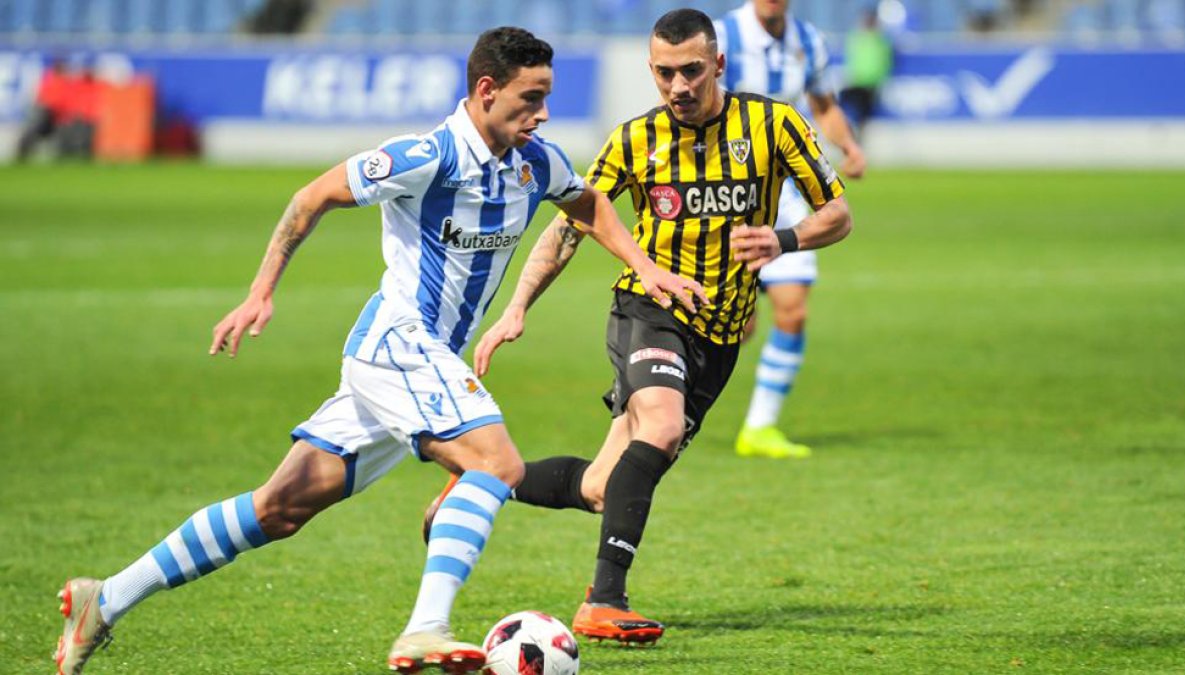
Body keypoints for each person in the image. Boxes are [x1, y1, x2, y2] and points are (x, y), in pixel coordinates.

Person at [53, 27, 706, 675]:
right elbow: (313, 197)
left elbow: (588, 202)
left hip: (420, 368)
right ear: (485, 91)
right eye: (530, 97)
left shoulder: (537, 162)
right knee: (497, 463)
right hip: (399, 343)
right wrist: (261, 291)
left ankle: (103, 599)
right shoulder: (427, 157)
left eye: (547, 97)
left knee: (278, 508)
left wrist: (643, 265)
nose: (542, 112)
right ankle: (426, 627)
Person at [424, 8, 853, 645]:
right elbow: (570, 226)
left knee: (602, 487)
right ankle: (604, 600)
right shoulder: (633, 140)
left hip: (721, 335)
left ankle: (484, 479)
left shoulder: (773, 124)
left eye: (691, 71)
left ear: (719, 66)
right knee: (660, 422)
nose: (677, 86)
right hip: (647, 311)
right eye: (663, 73)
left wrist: (783, 238)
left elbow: (838, 213)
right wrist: (516, 308)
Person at [715, 0, 868, 459]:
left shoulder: (810, 41)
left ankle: (760, 426)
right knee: (733, 325)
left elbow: (823, 105)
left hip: (783, 196)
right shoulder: (722, 38)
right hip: (729, 195)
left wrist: (848, 146)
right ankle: (665, 408)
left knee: (794, 310)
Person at [841, 9, 894, 134]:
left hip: (871, 83)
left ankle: (856, 135)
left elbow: (884, 62)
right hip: (856, 80)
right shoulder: (856, 36)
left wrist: (880, 79)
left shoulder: (881, 40)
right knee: (842, 106)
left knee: (863, 113)